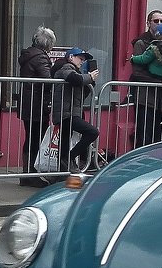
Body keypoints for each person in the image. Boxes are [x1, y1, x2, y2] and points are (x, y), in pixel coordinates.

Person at [17, 25, 55, 187]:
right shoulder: (40, 58)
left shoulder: (29, 54)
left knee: (30, 138)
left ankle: (27, 173)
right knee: (35, 138)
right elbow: (48, 79)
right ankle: (30, 174)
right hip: (37, 104)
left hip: (28, 102)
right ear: (47, 44)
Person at [52, 47, 100, 171]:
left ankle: (62, 172)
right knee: (92, 132)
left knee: (64, 142)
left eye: (84, 60)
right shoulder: (66, 68)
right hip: (66, 113)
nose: (82, 62)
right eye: (80, 58)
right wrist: (89, 77)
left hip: (70, 112)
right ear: (71, 57)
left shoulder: (76, 72)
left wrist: (91, 81)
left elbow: (83, 94)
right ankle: (70, 158)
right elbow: (74, 79)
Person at [129, 9, 162, 147]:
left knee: (159, 137)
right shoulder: (141, 43)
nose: (159, 23)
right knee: (144, 136)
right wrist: (160, 81)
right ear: (148, 23)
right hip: (145, 98)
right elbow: (137, 72)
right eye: (156, 21)